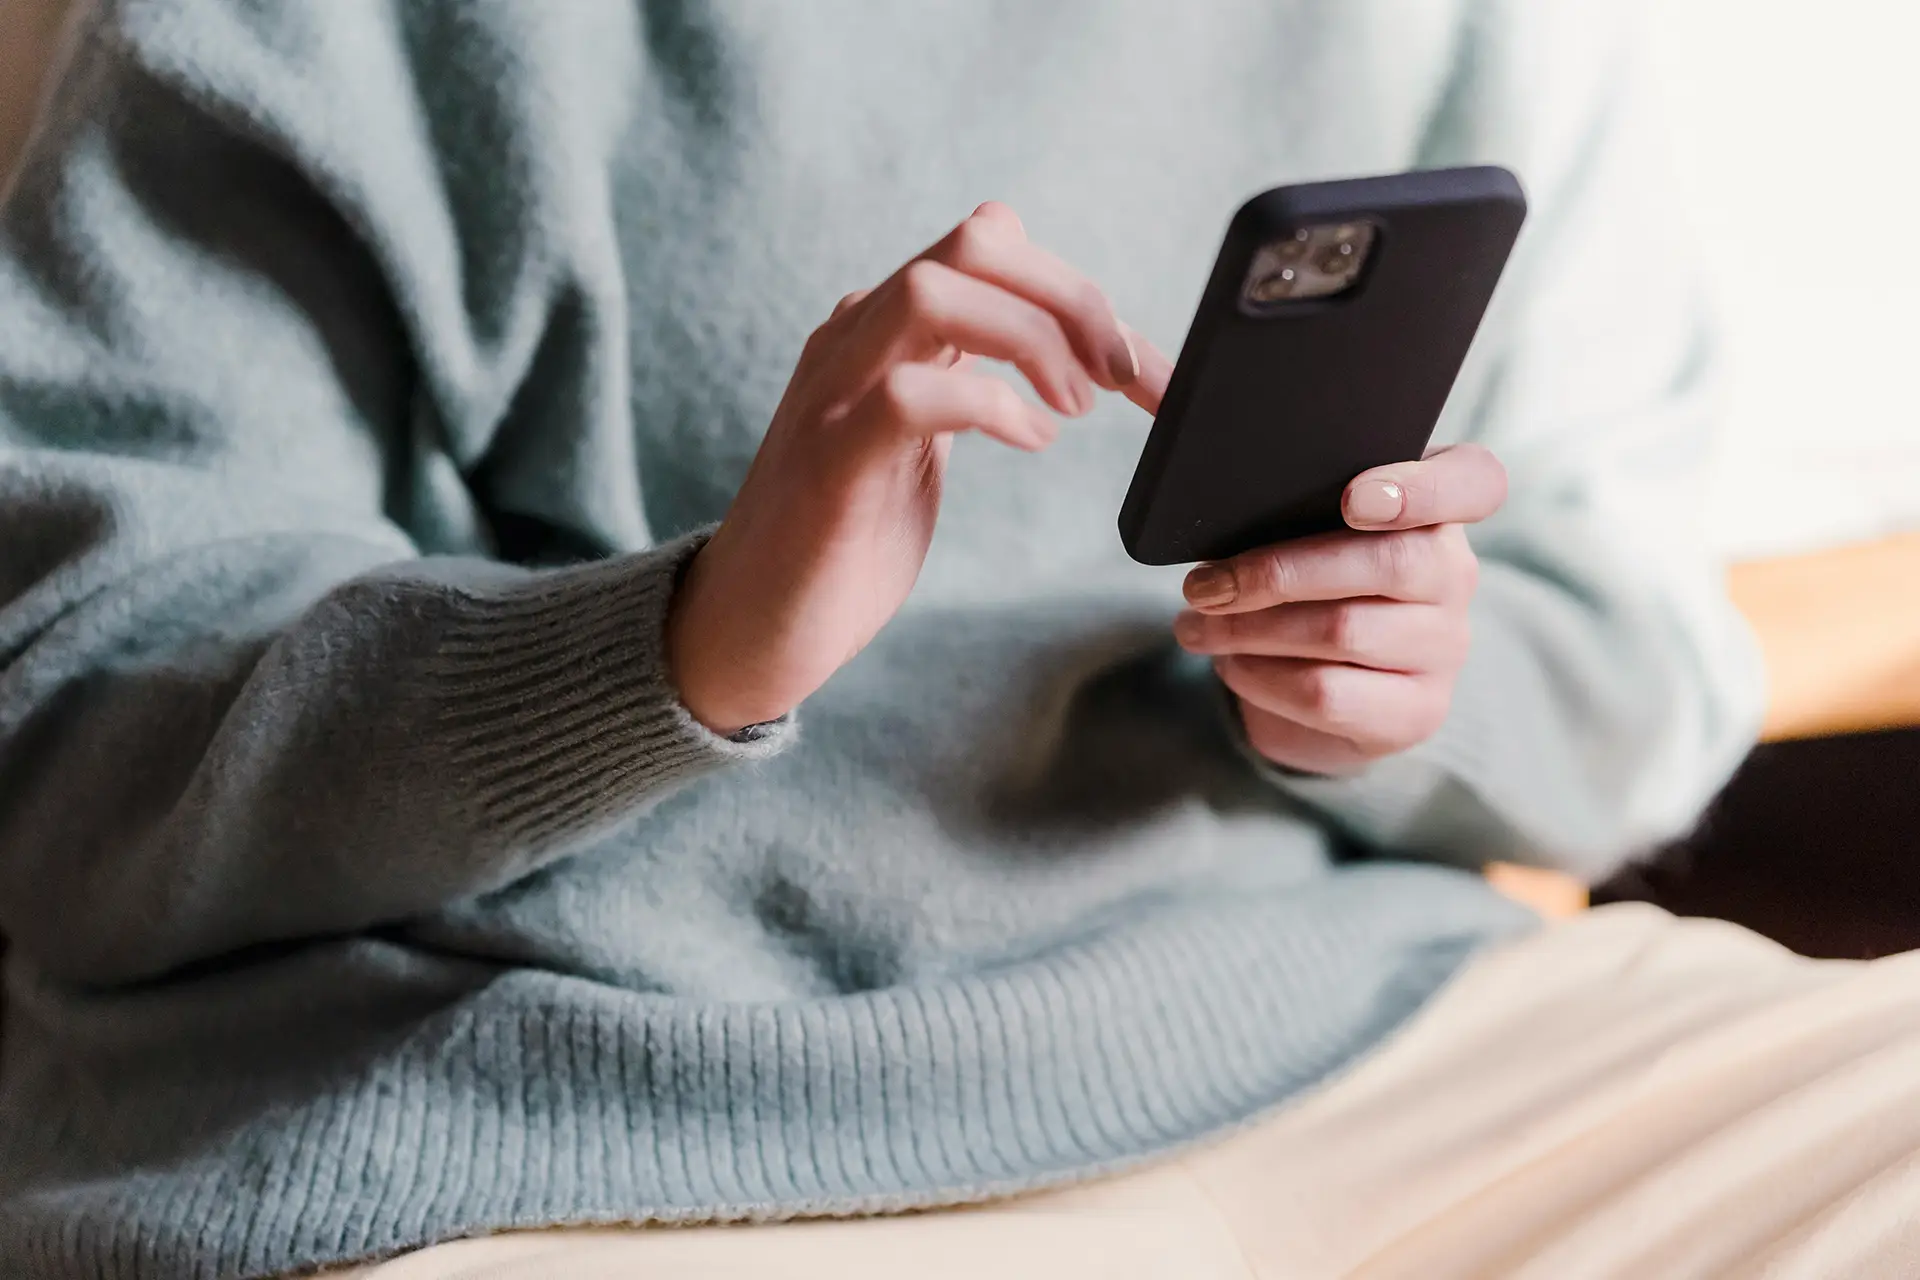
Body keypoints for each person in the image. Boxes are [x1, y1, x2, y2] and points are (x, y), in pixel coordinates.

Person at [5, 2, 1919, 1278]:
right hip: (547, 1126)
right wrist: (680, 645)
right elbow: (71, 742)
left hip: (1351, 1032)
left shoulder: (1466, 30)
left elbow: (1644, 673)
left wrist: (1408, 688)